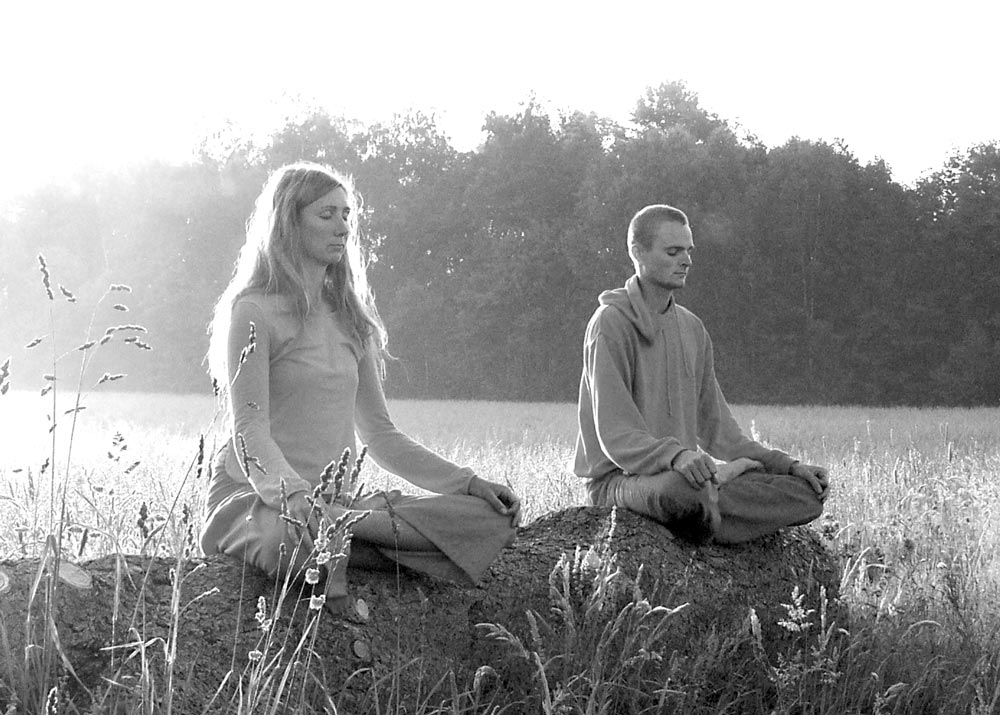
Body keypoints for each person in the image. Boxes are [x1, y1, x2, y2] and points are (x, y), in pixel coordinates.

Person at [202, 162, 520, 606]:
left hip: (334, 502)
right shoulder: (253, 311)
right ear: (288, 223)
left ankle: (343, 532)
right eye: (326, 215)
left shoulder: (351, 318)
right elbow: (248, 431)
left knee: (490, 519)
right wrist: (293, 495)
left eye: (347, 214)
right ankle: (353, 539)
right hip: (262, 497)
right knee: (296, 541)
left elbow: (381, 436)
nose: (343, 228)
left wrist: (467, 484)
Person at [573, 204, 828, 544]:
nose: (686, 260)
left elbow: (721, 433)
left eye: (689, 251)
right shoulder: (609, 324)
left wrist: (788, 466)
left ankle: (707, 511)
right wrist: (676, 457)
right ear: (637, 252)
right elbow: (616, 435)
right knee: (682, 492)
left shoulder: (692, 329)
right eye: (673, 251)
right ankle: (711, 506)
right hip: (624, 482)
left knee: (806, 493)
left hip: (693, 476)